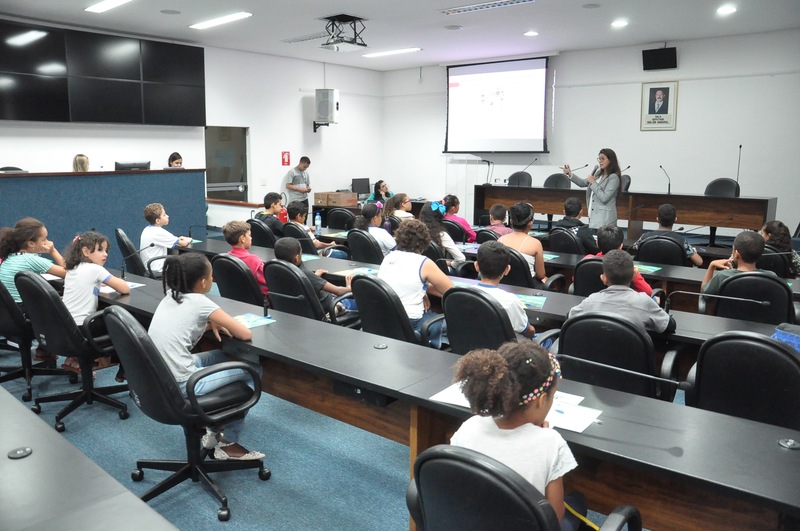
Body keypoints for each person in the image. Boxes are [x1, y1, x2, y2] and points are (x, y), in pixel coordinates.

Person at [450, 342, 582, 529]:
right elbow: (554, 520)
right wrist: (544, 437)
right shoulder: (551, 443)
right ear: (541, 400)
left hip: (471, 523)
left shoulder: (468, 428)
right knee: (578, 502)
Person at [148, 253, 264, 461]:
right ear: (203, 282)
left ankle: (215, 426)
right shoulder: (200, 301)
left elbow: (186, 322)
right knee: (253, 370)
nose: (213, 279)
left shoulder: (171, 295)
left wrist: (210, 323)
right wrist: (216, 319)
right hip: (183, 382)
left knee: (222, 355)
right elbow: (245, 334)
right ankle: (227, 440)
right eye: (211, 276)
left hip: (161, 375)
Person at [61, 231, 130, 378]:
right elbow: (124, 289)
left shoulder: (73, 268)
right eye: (100, 250)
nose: (105, 254)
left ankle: (75, 359)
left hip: (67, 328)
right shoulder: (95, 269)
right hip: (85, 328)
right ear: (86, 251)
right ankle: (124, 369)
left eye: (106, 250)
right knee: (125, 324)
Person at [378, 219, 453, 348]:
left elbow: (403, 282)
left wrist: (423, 290)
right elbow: (451, 292)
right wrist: (423, 290)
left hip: (386, 318)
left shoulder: (388, 257)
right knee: (452, 323)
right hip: (413, 322)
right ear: (424, 242)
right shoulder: (424, 263)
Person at [568, 249, 675, 333]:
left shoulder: (591, 301)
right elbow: (670, 326)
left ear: (604, 279)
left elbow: (570, 316)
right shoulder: (644, 302)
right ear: (634, 275)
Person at [273, 236, 357, 313]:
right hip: (332, 308)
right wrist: (349, 287)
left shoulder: (276, 271)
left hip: (300, 311)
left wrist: (314, 277)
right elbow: (338, 291)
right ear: (296, 258)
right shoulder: (304, 274)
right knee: (360, 303)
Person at [472, 241, 536, 340]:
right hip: (508, 348)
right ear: (507, 270)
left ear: (476, 266)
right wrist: (533, 331)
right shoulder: (511, 301)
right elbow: (527, 331)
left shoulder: (460, 294)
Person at [0, 217, 66, 303]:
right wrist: (53, 251)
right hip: (24, 308)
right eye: (44, 239)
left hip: (11, 309)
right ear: (31, 243)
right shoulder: (30, 260)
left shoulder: (9, 256)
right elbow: (70, 273)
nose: (49, 242)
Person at [562, 148, 621, 229]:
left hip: (605, 219)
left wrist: (593, 182)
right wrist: (569, 174)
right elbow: (582, 183)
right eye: (599, 159)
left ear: (611, 160)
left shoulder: (613, 177)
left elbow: (604, 197)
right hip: (594, 216)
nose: (600, 161)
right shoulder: (598, 174)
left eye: (603, 159)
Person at [702, 231, 776, 295]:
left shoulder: (722, 276)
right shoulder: (771, 276)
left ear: (736, 254)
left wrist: (711, 266)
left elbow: (704, 293)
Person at [629, 203, 703, 266]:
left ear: (657, 219)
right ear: (675, 219)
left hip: (647, 275)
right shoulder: (682, 241)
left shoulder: (644, 237)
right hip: (674, 277)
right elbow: (699, 262)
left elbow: (633, 248)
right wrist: (693, 252)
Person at [590, 224, 652, 297]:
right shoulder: (627, 265)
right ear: (621, 246)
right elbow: (648, 292)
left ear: (597, 243)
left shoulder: (587, 260)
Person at [498, 202, 548, 285]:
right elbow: (541, 275)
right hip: (528, 288)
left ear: (511, 221)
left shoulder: (500, 240)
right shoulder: (536, 244)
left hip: (504, 286)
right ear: (530, 223)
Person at [140, 203, 191, 274]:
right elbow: (183, 243)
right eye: (164, 215)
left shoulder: (147, 229)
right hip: (157, 270)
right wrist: (188, 239)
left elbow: (172, 240)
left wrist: (178, 239)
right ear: (158, 220)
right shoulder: (158, 232)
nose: (167, 216)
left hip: (149, 268)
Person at [222, 220, 268, 297]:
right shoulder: (254, 260)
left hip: (233, 298)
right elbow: (268, 283)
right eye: (249, 235)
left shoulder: (225, 258)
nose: (251, 238)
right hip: (255, 301)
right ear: (242, 238)